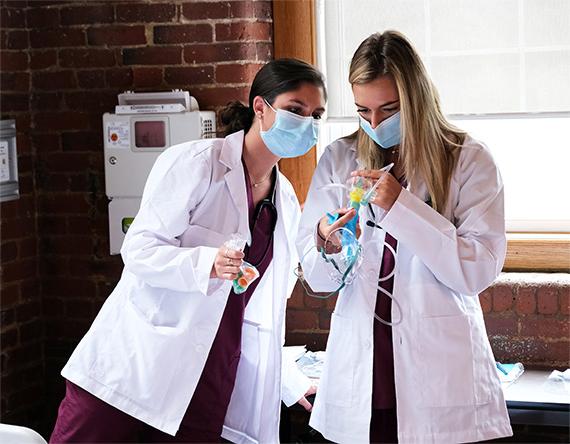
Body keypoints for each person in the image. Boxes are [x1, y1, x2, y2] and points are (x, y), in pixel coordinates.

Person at [50, 58, 326, 443]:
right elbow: (140, 249)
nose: (306, 124)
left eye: (317, 115)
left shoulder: (287, 202)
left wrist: (288, 381)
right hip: (135, 368)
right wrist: (206, 263)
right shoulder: (197, 164)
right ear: (260, 108)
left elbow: (263, 310)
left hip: (207, 381)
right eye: (296, 110)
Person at [296, 31, 513, 443]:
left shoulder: (469, 159)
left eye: (389, 109)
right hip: (363, 375)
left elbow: (476, 271)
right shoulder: (340, 158)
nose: (374, 124)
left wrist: (402, 207)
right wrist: (326, 243)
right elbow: (320, 280)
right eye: (363, 111)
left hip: (441, 377)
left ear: (416, 98)